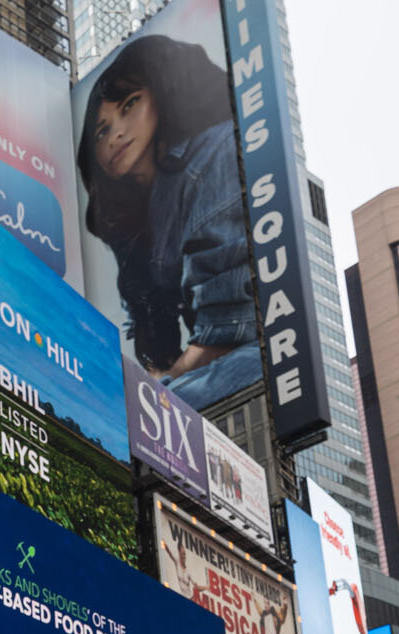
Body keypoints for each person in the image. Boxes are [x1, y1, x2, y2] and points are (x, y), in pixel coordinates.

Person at [77, 33, 260, 408]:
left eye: (130, 104)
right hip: (209, 370)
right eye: (102, 130)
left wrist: (159, 391)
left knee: (133, 418)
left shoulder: (215, 152)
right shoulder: (136, 216)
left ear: (161, 94)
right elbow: (157, 345)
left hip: (254, 355)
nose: (116, 135)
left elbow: (229, 331)